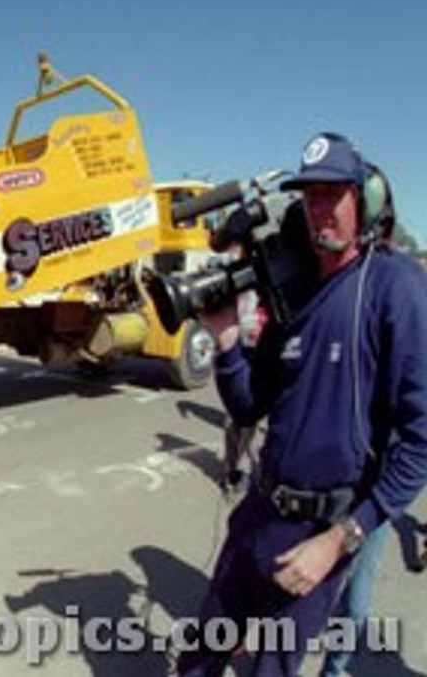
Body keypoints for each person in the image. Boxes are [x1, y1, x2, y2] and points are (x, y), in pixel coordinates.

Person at [175, 133, 427, 677]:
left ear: (365, 202)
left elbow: (420, 443)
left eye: (332, 194)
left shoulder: (393, 288)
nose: (319, 210)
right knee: (200, 657)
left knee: (272, 671)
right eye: (309, 196)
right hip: (258, 518)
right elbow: (247, 405)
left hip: (321, 535)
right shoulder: (292, 299)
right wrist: (223, 342)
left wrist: (340, 541)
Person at [319, 163, 399, 677]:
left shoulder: (397, 287)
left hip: (373, 476)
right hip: (323, 470)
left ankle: (336, 668)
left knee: (355, 591)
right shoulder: (327, 283)